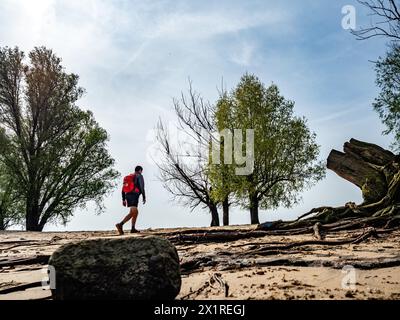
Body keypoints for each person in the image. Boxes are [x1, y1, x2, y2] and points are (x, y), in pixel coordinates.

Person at [116, 165, 146, 235]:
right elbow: (142, 187)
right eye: (141, 171)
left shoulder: (129, 177)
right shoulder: (139, 176)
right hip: (134, 195)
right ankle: (120, 224)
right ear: (140, 170)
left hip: (127, 195)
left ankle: (133, 228)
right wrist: (144, 196)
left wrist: (123, 199)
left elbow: (123, 189)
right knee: (134, 212)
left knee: (134, 212)